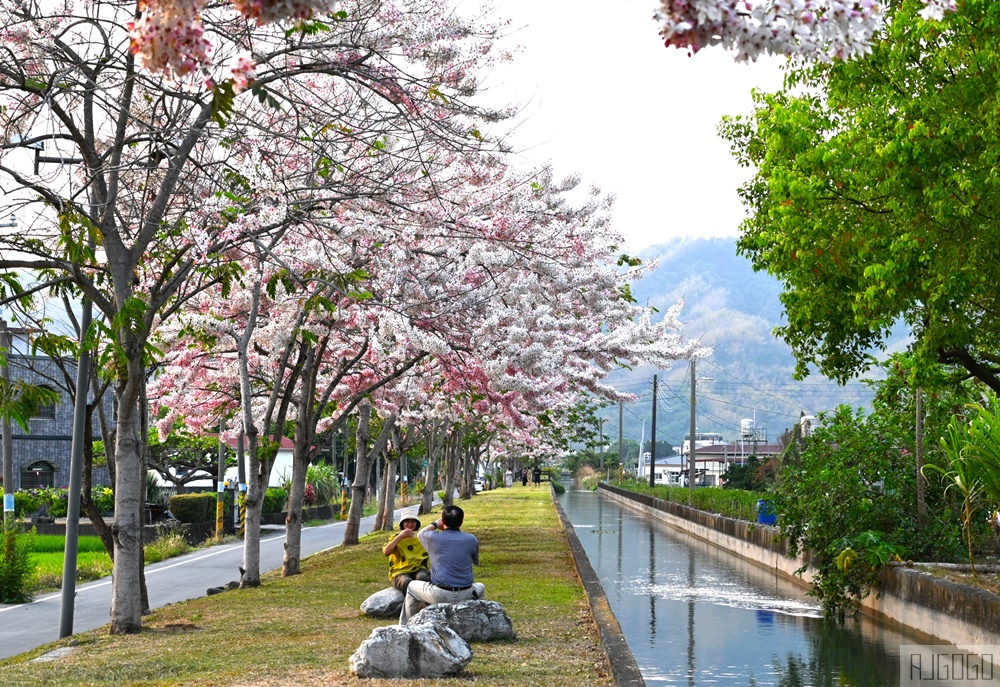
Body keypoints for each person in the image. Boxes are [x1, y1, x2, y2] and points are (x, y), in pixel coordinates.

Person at [399, 504, 485, 625]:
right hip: (467, 593)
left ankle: (404, 627)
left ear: (443, 521)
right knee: (481, 587)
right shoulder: (471, 539)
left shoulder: (432, 538)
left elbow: (420, 533)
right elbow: (475, 561)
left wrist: (435, 524)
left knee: (412, 587)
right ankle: (476, 622)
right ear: (461, 522)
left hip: (440, 594)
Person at [382, 516, 431, 592]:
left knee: (423, 578)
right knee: (406, 582)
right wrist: (400, 537)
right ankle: (410, 602)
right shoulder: (395, 537)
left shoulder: (420, 538)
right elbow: (386, 552)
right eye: (407, 521)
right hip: (400, 572)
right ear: (402, 523)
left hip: (418, 569)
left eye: (413, 521)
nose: (410, 524)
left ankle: (425, 602)